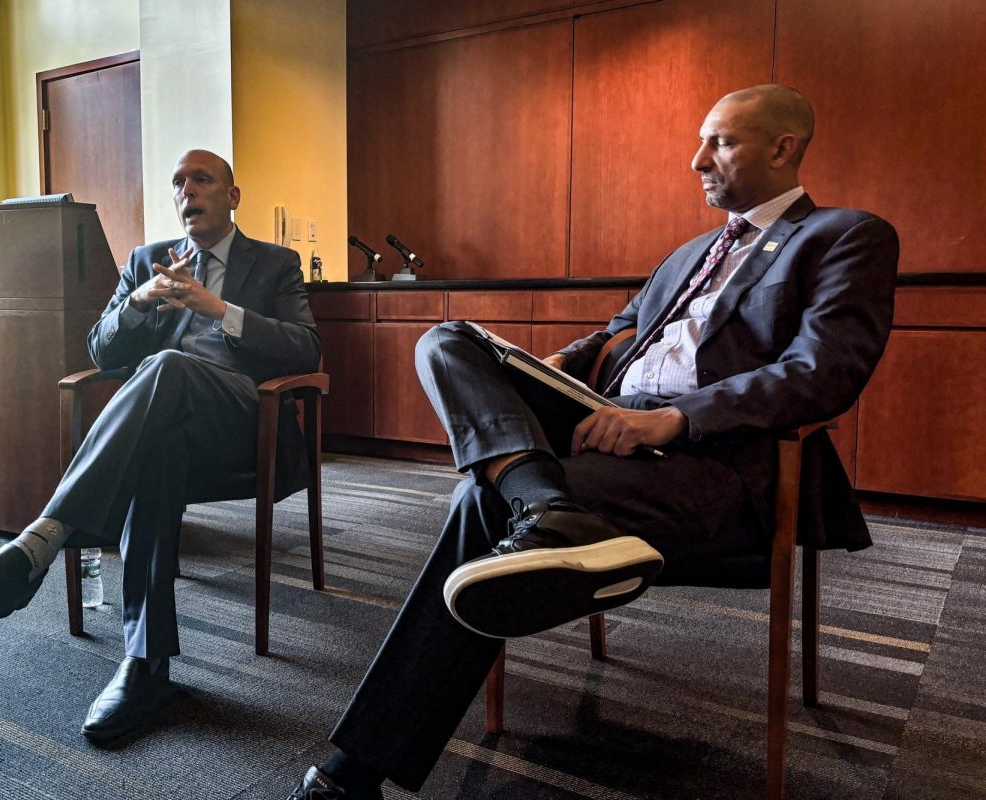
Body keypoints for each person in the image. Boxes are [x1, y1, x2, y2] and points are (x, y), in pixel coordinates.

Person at [287, 85, 897, 799]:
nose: (697, 159)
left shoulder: (845, 236)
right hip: (607, 422)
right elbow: (617, 332)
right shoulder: (690, 252)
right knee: (447, 339)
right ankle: (547, 508)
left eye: (720, 144)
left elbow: (823, 373)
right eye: (702, 142)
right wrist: (544, 371)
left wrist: (678, 418)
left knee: (479, 503)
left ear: (784, 147)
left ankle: (359, 768)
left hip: (712, 459)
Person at [0, 149, 321, 745]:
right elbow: (100, 350)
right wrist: (140, 302)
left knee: (169, 366)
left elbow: (305, 352)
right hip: (165, 427)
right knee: (157, 450)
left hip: (245, 422)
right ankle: (147, 664)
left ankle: (44, 539)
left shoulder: (275, 264)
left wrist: (218, 309)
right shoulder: (148, 262)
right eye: (178, 183)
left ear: (232, 196)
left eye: (202, 179)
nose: (187, 190)